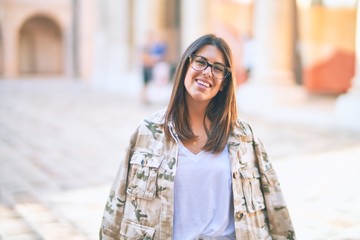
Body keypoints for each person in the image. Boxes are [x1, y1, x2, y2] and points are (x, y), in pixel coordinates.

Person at [100, 34, 296, 240]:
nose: (207, 72)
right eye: (200, 62)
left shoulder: (244, 137)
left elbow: (276, 207)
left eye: (218, 68)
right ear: (186, 66)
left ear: (223, 83)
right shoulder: (148, 132)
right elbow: (116, 206)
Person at [141, 31, 168, 103]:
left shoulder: (155, 46)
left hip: (150, 66)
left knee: (149, 83)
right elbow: (143, 57)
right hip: (146, 67)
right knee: (145, 83)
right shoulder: (147, 46)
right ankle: (144, 98)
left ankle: (147, 98)